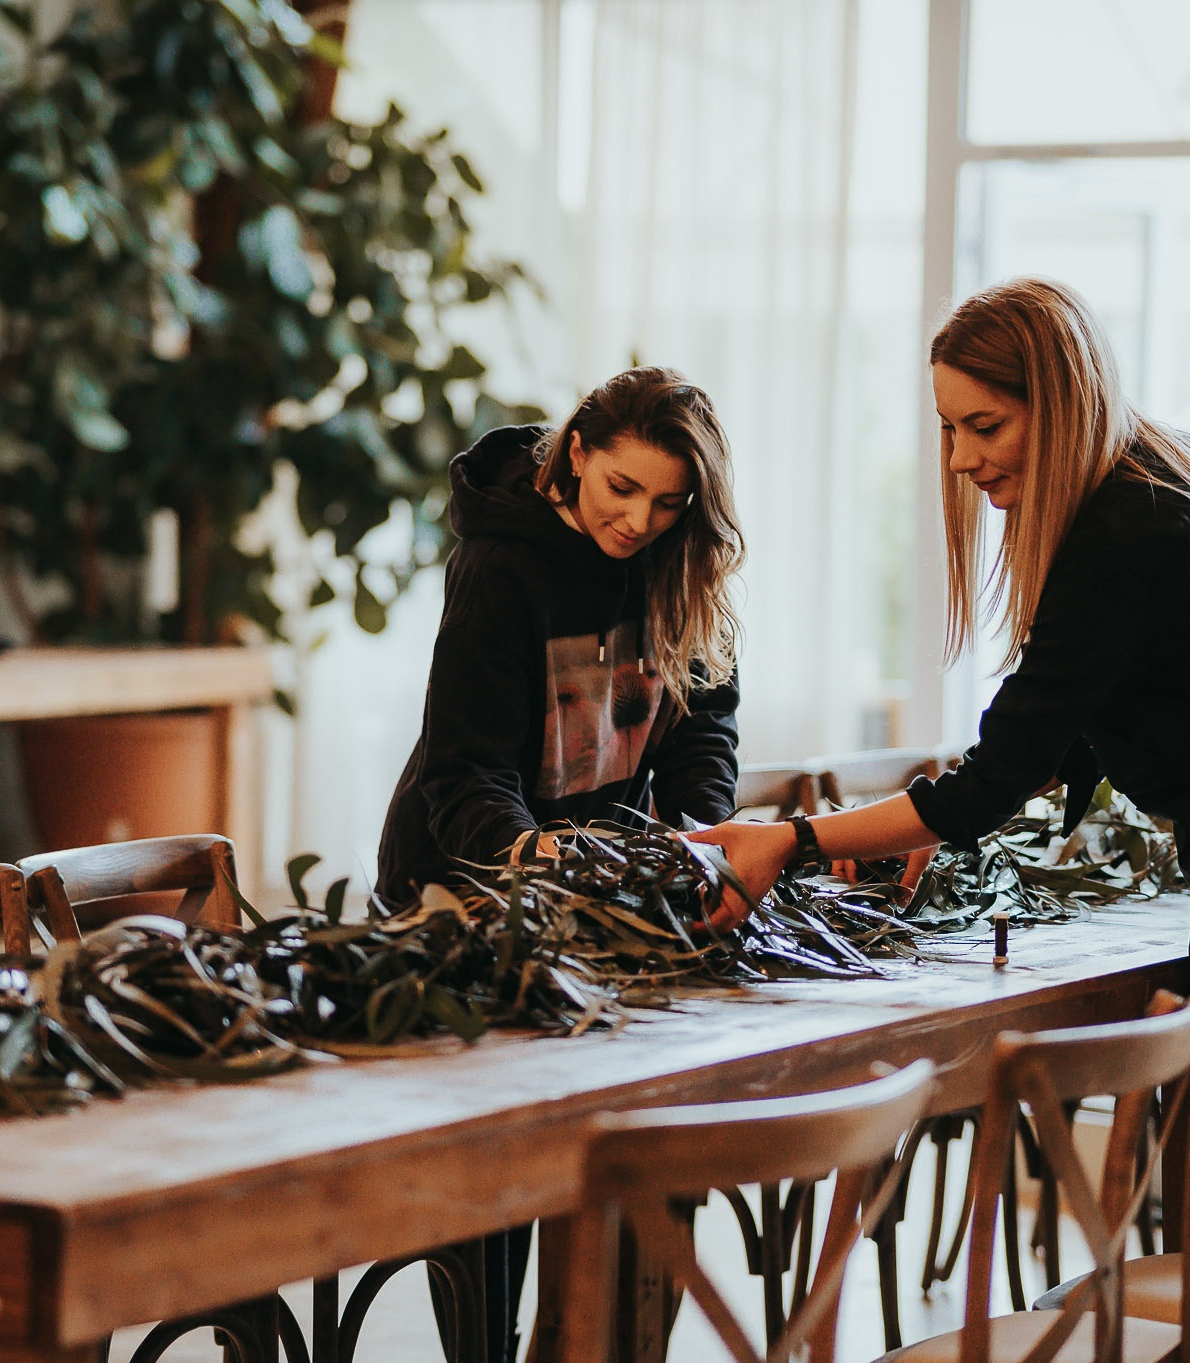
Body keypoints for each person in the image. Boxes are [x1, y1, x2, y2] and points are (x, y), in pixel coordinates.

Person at [687, 278, 1190, 1363]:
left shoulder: (1122, 532)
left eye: (986, 424)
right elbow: (1119, 693)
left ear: (1060, 401)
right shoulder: (1181, 468)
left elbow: (1002, 764)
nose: (961, 459)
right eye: (945, 428)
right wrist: (936, 819)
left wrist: (786, 841)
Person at [378, 365, 746, 1363]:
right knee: (497, 1171)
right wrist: (541, 852)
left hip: (591, 896)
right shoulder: (500, 568)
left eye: (668, 502)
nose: (639, 521)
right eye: (621, 488)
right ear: (577, 451)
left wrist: (699, 836)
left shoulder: (677, 563)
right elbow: (460, 774)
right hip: (458, 893)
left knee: (632, 1151)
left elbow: (703, 724)